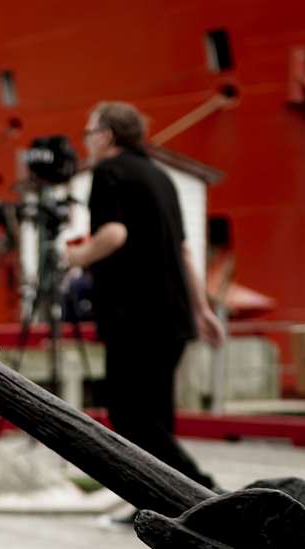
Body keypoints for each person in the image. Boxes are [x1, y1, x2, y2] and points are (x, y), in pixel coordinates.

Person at [65, 100, 224, 490]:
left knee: (129, 417)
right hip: (174, 317)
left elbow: (114, 234)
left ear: (106, 135)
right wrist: (202, 309)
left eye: (88, 132)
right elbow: (184, 250)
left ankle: (203, 491)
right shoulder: (160, 177)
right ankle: (167, 503)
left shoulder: (109, 172)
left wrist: (76, 256)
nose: (86, 141)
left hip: (134, 317)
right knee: (156, 418)